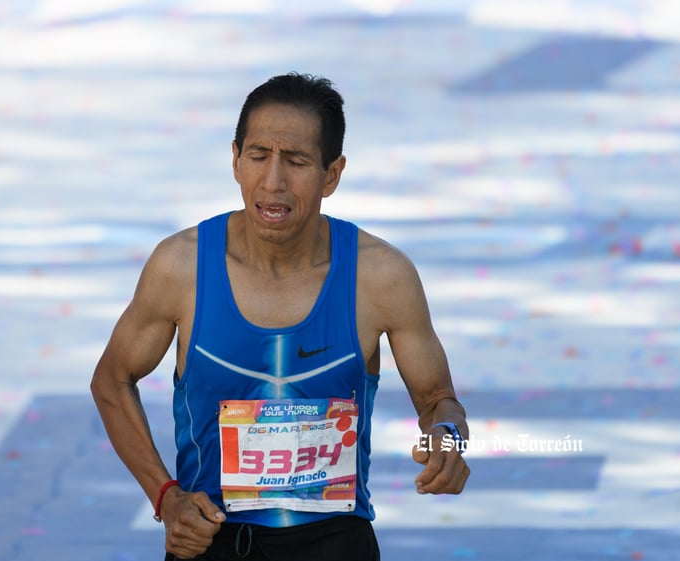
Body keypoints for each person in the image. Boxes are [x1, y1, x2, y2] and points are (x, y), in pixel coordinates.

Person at [91, 72, 470, 561]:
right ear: (234, 160)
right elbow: (111, 379)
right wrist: (166, 496)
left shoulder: (382, 277)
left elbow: (439, 400)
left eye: (296, 162)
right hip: (210, 541)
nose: (273, 182)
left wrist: (449, 438)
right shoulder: (180, 267)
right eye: (257, 156)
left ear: (331, 174)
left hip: (336, 544)